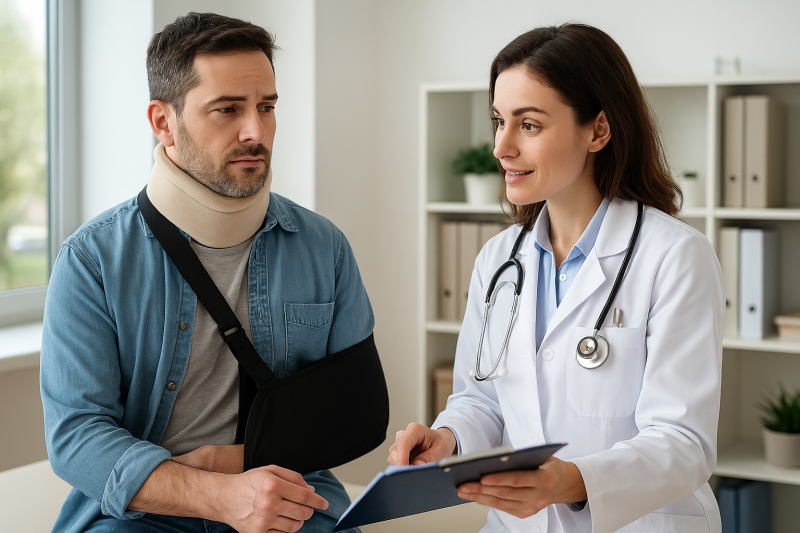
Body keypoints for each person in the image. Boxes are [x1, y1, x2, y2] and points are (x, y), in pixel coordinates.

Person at [40, 12, 374, 533]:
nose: (256, 131)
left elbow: (355, 413)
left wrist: (236, 466)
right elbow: (76, 436)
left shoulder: (323, 246)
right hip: (147, 510)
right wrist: (217, 495)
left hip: (285, 490)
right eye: (228, 110)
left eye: (267, 107)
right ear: (162, 122)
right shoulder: (92, 260)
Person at [388, 23, 724, 533]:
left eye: (529, 125)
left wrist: (571, 481)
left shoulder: (675, 256)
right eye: (499, 120)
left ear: (598, 131)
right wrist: (451, 439)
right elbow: (481, 399)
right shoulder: (498, 260)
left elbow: (683, 443)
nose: (501, 148)